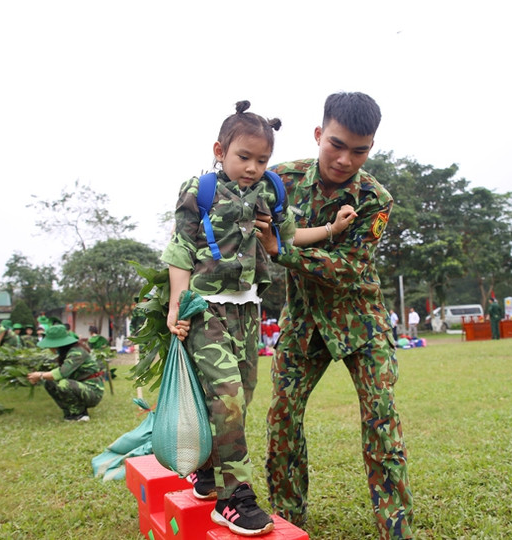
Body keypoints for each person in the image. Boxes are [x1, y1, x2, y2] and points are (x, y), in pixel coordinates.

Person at [163, 100, 355, 537]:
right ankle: (234, 498)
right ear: (220, 150)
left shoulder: (271, 191)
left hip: (248, 310)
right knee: (227, 393)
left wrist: (334, 230)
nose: (252, 167)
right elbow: (179, 250)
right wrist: (177, 304)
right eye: (243, 157)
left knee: (241, 395)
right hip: (205, 309)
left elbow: (288, 239)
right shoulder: (200, 189)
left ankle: (210, 470)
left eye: (261, 160)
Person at [258, 92, 414, 538]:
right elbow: (230, 198)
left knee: (381, 419)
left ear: (371, 148)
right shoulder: (278, 180)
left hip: (361, 324)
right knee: (282, 417)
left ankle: (396, 529)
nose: (345, 159)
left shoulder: (374, 198)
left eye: (359, 150)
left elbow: (347, 270)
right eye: (336, 144)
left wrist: (282, 251)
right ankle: (287, 521)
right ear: (318, 134)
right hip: (303, 324)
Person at [26, 325, 105, 422]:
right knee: (49, 383)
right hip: (79, 386)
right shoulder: (65, 353)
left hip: (92, 391)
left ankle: (79, 414)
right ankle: (69, 411)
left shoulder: (77, 353)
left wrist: (40, 375)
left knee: (64, 384)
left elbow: (62, 373)